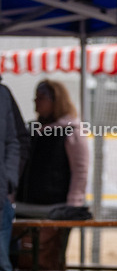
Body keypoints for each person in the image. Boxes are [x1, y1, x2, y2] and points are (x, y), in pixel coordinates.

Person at [17, 80, 88, 208]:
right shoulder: (32, 130)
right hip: (25, 203)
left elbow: (80, 171)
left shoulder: (71, 131)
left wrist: (73, 204)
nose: (36, 101)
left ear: (56, 101)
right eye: (36, 97)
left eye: (41, 98)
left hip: (54, 206)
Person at [0, 86, 20, 271]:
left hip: (0, 200)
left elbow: (16, 140)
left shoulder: (3, 93)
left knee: (2, 266)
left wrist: (8, 181)